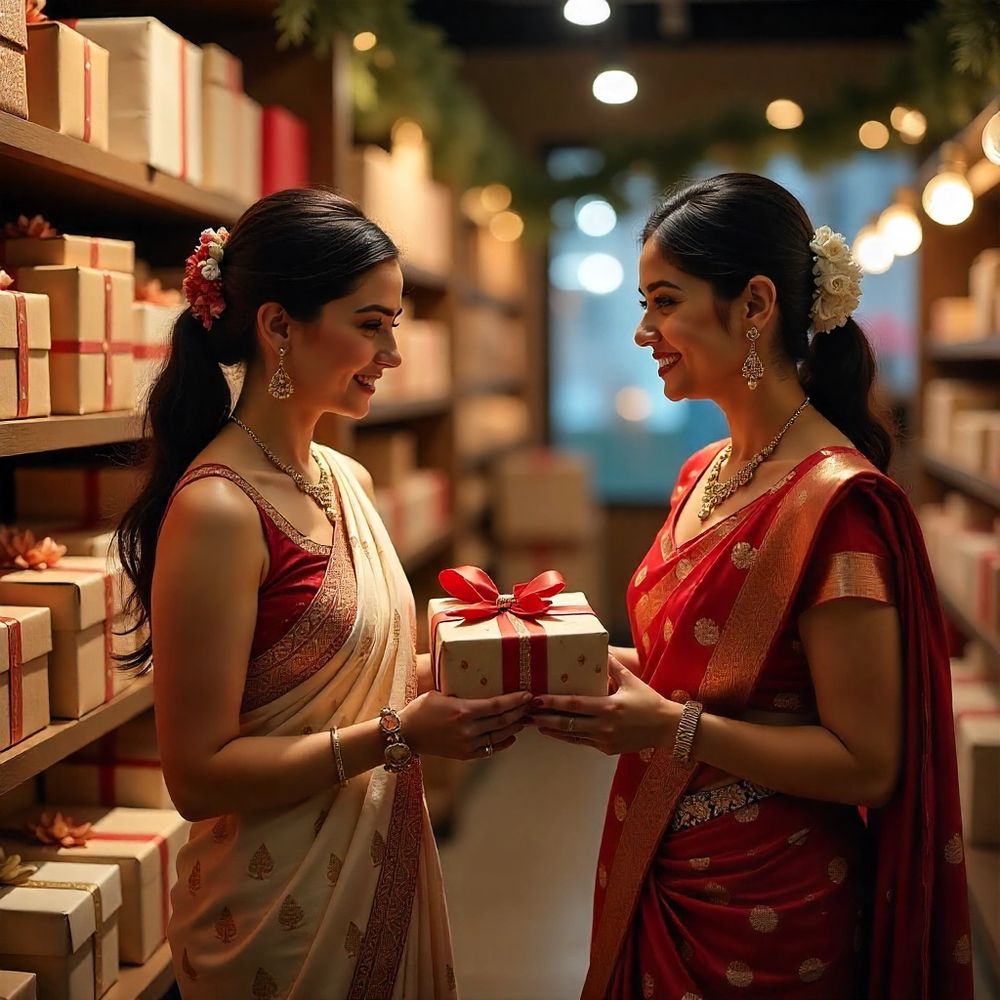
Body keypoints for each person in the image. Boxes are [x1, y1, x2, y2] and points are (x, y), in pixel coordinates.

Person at [530, 173, 973, 999]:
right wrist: (574, 668)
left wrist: (671, 727)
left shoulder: (838, 507)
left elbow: (868, 763)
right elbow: (703, 669)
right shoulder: (705, 471)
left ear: (755, 306)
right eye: (642, 303)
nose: (642, 331)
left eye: (664, 302)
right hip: (665, 861)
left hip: (774, 905)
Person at [116, 189, 532, 999]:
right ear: (277, 327)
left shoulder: (347, 477)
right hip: (275, 923)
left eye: (395, 324)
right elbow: (197, 776)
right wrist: (399, 736)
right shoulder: (220, 508)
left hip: (377, 868)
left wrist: (484, 670)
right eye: (371, 324)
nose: (394, 353)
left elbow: (342, 688)